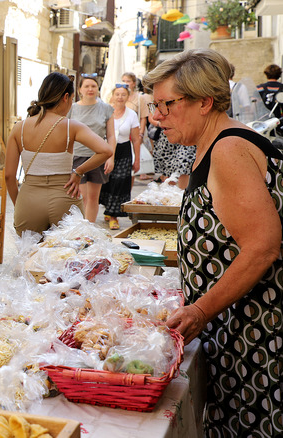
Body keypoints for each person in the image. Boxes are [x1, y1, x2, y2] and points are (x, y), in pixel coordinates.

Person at [145, 48, 282, 438]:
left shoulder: (228, 149)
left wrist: (202, 308)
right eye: (155, 106)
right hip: (235, 327)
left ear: (204, 102)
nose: (157, 116)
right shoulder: (213, 144)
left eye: (167, 105)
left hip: (256, 335)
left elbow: (263, 246)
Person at [4, 72, 111, 235]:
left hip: (29, 199)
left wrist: (19, 202)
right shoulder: (71, 126)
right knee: (66, 255)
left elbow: (9, 176)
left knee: (29, 256)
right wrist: (78, 172)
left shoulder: (19, 127)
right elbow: (105, 150)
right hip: (65, 196)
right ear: (65, 97)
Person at [68, 74, 116, 222]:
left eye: (93, 86)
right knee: (81, 196)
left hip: (98, 156)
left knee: (93, 197)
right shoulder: (72, 108)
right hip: (77, 156)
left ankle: (89, 228)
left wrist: (111, 157)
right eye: (86, 86)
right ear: (79, 90)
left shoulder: (106, 108)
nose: (90, 89)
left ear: (98, 89)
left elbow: (111, 136)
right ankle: (80, 228)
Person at [99, 84, 140, 230]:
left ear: (128, 97)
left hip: (124, 150)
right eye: (117, 94)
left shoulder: (131, 114)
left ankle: (114, 216)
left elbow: (136, 139)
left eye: (123, 94)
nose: (120, 97)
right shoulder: (106, 111)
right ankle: (108, 209)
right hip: (105, 149)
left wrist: (137, 159)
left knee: (119, 182)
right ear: (112, 96)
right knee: (106, 182)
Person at [256, 63, 283, 135]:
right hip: (280, 122)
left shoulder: (259, 88)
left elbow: (253, 104)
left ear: (266, 74)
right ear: (279, 74)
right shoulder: (282, 88)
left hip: (262, 122)